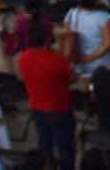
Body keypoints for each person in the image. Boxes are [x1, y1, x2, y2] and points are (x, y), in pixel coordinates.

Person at [18, 23, 77, 170]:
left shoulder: (23, 57)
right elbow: (71, 78)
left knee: (45, 143)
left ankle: (48, 165)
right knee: (65, 147)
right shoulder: (57, 60)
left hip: (37, 108)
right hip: (59, 109)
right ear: (48, 39)